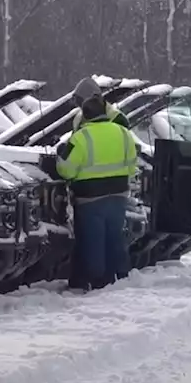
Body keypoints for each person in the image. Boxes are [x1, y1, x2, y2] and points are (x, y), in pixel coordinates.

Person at [56, 77, 139, 291]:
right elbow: (132, 164)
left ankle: (96, 279)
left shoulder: (81, 137)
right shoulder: (123, 131)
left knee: (93, 241)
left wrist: (62, 155)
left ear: (84, 113)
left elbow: (66, 170)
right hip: (119, 194)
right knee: (115, 238)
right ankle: (119, 276)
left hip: (90, 197)